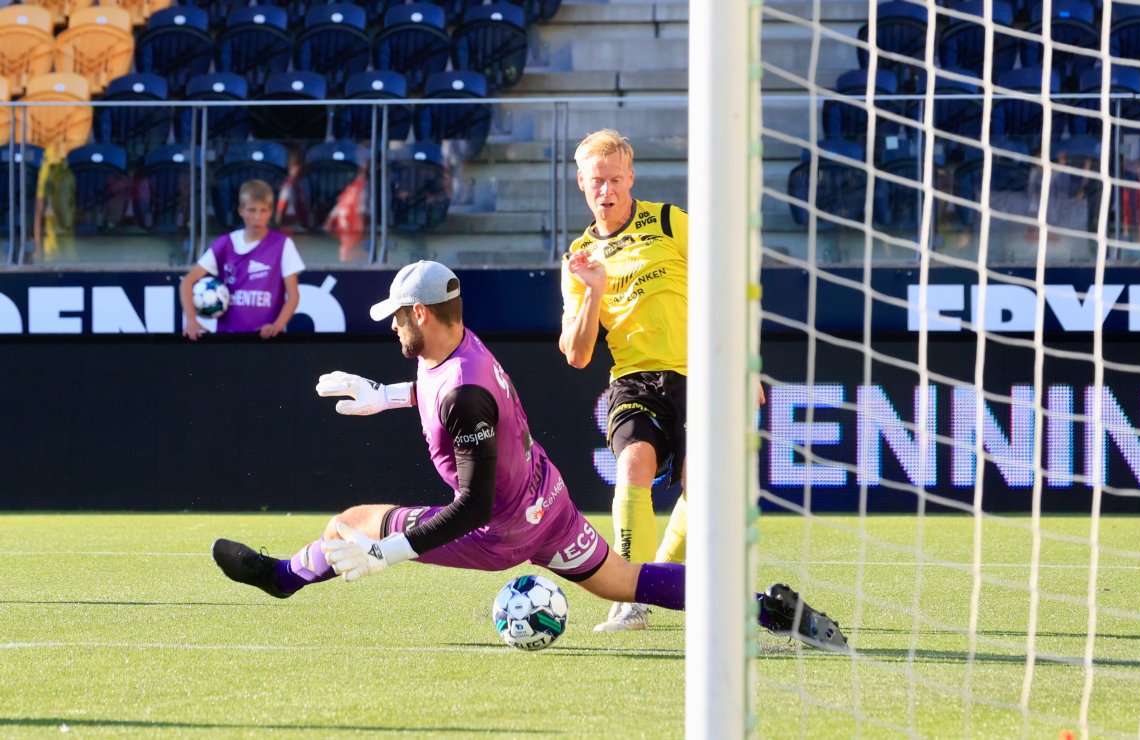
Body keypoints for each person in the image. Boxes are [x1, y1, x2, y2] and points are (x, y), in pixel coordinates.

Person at [210, 260, 848, 652]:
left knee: (349, 523)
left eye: (397, 317)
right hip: (550, 503)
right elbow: (444, 395)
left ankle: (280, 579)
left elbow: (472, 506)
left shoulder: (463, 393)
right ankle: (760, 606)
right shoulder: (459, 348)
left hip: (503, 528)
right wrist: (384, 395)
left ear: (424, 314)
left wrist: (389, 550)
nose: (392, 327)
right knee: (625, 581)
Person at [559, 129, 694, 632]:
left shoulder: (668, 220)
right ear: (581, 183)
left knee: (704, 485)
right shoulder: (579, 256)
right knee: (634, 462)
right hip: (634, 380)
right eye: (597, 181)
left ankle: (657, 576)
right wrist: (593, 290)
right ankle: (630, 599)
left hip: (698, 371)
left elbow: (725, 282)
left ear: (631, 177)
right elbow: (576, 355)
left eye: (616, 178)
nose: (607, 190)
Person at [179, 179, 304, 341]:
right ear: (240, 211)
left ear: (270, 212)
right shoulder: (226, 243)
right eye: (251, 210)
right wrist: (191, 320)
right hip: (228, 338)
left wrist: (277, 326)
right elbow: (187, 282)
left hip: (268, 339)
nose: (257, 217)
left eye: (263, 210)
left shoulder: (283, 245)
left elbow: (293, 295)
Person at [33, 144, 76, 264]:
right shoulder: (47, 167)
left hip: (70, 239)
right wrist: (38, 249)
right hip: (51, 239)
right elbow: (39, 209)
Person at [323, 167, 368, 262]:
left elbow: (327, 225)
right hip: (351, 237)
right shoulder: (359, 192)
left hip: (348, 238)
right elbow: (361, 217)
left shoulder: (346, 195)